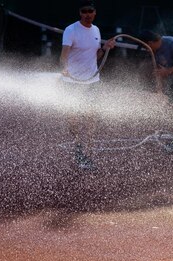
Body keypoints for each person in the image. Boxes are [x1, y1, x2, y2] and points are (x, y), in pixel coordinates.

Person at [60, 0, 115, 170]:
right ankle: (78, 147)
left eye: (90, 11)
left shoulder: (96, 30)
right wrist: (64, 69)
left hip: (92, 81)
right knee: (73, 116)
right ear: (80, 13)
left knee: (91, 116)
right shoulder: (71, 30)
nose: (87, 15)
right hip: (72, 82)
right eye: (84, 11)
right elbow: (63, 55)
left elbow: (96, 55)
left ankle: (88, 152)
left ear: (95, 12)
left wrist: (105, 48)